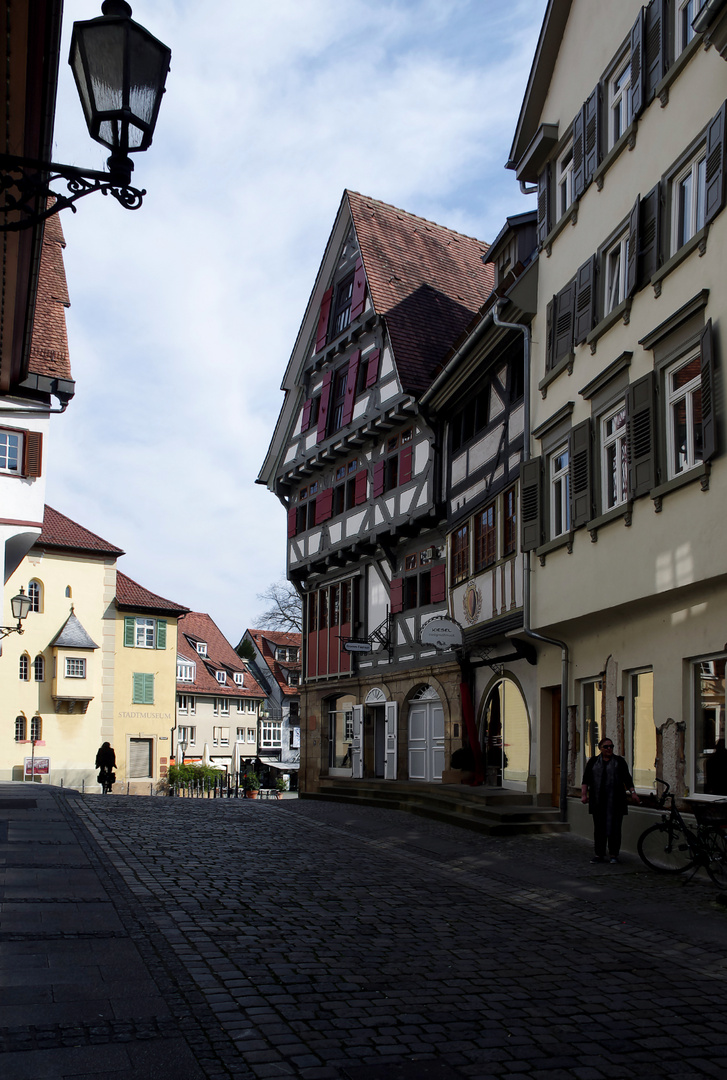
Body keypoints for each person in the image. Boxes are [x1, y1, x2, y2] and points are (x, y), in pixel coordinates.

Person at [581, 737, 639, 863]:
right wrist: (584, 795)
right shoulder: (593, 761)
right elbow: (586, 779)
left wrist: (633, 793)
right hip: (598, 800)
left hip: (616, 801)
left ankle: (614, 854)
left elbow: (627, 779)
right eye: (606, 747)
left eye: (611, 746)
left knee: (615, 829)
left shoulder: (619, 761)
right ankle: (599, 854)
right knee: (599, 828)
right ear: (600, 749)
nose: (609, 749)